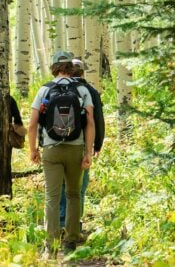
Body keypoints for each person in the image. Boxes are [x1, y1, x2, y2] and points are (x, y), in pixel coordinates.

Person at [28, 51, 95, 254]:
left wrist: (33, 149)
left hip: (51, 150)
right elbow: (90, 122)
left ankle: (51, 244)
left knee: (52, 196)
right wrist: (88, 153)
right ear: (70, 68)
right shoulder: (82, 89)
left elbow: (32, 124)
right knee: (74, 194)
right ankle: (71, 241)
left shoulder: (45, 90)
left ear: (54, 67)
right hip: (75, 149)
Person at [59, 58, 105, 231]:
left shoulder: (57, 87)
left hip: (57, 142)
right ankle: (74, 223)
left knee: (61, 184)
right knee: (79, 186)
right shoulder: (90, 91)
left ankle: (60, 222)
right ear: (83, 72)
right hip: (82, 144)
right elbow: (97, 120)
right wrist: (97, 144)